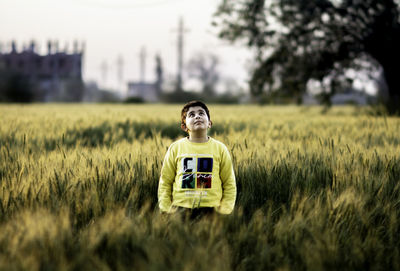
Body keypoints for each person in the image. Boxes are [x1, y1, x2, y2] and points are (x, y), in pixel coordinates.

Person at [157, 100, 237, 219]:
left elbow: (229, 183)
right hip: (180, 209)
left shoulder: (220, 148)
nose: (197, 116)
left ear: (209, 123)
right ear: (184, 126)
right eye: (191, 115)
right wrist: (166, 209)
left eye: (201, 113)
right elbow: (165, 182)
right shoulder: (176, 148)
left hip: (212, 210)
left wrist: (224, 210)